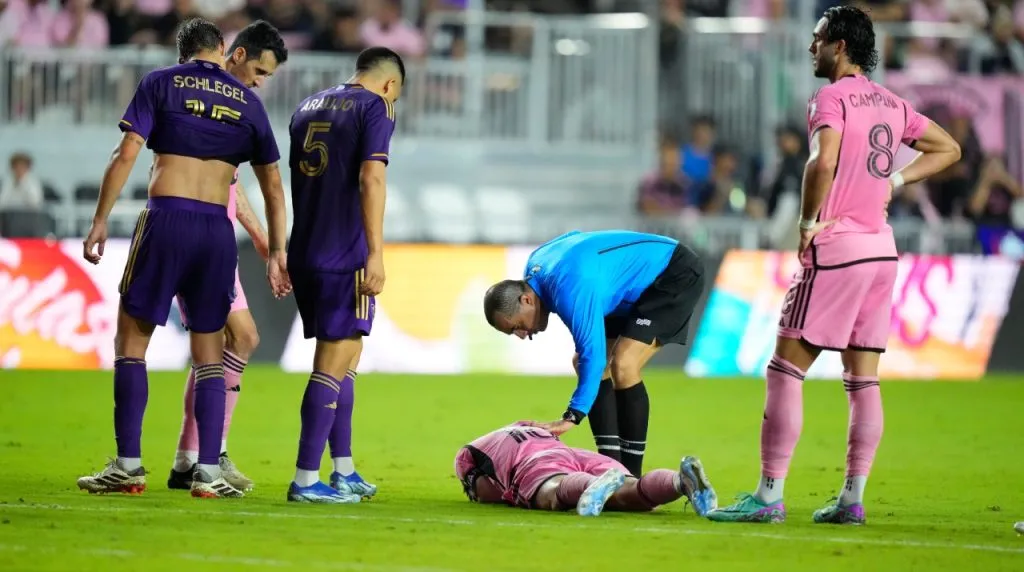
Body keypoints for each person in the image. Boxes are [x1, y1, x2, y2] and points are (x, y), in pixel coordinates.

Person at [706, 6, 961, 525]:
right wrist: (896, 182)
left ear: (840, 45)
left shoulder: (830, 98)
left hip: (839, 247)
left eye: (818, 39)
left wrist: (805, 223)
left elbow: (822, 161)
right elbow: (949, 148)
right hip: (881, 253)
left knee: (784, 369)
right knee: (863, 380)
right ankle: (852, 498)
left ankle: (768, 495)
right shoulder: (891, 102)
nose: (811, 48)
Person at [76, 17, 290, 499]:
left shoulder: (160, 83)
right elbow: (273, 187)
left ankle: (128, 466)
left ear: (183, 53)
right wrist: (276, 250)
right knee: (210, 351)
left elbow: (127, 151)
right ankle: (207, 470)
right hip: (217, 230)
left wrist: (99, 220)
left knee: (131, 342)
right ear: (223, 49)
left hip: (166, 218)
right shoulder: (248, 103)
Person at [165, 20, 288, 494]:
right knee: (232, 340)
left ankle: (191, 456)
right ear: (234, 54)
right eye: (258, 70)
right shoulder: (204, 103)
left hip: (215, 240)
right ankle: (204, 456)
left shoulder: (233, 108)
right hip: (190, 235)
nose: (259, 82)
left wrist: (258, 236)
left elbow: (232, 184)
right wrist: (266, 240)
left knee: (232, 343)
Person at [483, 230, 706, 478]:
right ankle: (612, 471)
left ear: (526, 300)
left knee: (623, 363)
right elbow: (575, 236)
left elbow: (595, 354)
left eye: (516, 327)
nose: (522, 335)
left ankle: (631, 478)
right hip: (626, 286)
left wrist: (572, 416)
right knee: (584, 363)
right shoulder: (537, 268)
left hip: (671, 273)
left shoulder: (569, 288)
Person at [285, 47, 403, 504]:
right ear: (390, 84)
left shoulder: (307, 105)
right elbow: (371, 178)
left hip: (306, 248)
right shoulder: (377, 105)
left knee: (345, 358)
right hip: (344, 251)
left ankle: (343, 469)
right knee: (334, 363)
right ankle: (305, 478)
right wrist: (375, 253)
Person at [454, 423, 717, 516]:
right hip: (576, 454)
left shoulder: (467, 455)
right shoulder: (524, 426)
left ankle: (589, 485)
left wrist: (482, 493)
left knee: (551, 493)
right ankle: (680, 482)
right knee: (629, 493)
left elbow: (485, 491)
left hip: (536, 459)